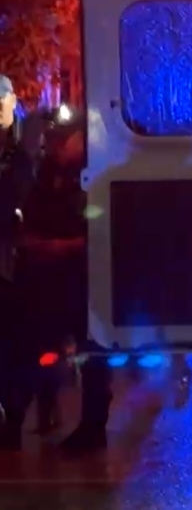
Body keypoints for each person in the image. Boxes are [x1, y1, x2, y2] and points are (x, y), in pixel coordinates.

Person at [17, 117, 112, 453]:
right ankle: (34, 414)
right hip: (51, 280)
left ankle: (91, 426)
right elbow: (30, 227)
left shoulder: (88, 181)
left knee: (90, 353)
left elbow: (98, 228)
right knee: (42, 349)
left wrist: (64, 246)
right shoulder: (47, 181)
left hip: (80, 280)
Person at [0, 73, 50, 451]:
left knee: (17, 346)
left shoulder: (21, 153)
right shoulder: (18, 154)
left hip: (16, 262)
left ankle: (16, 416)